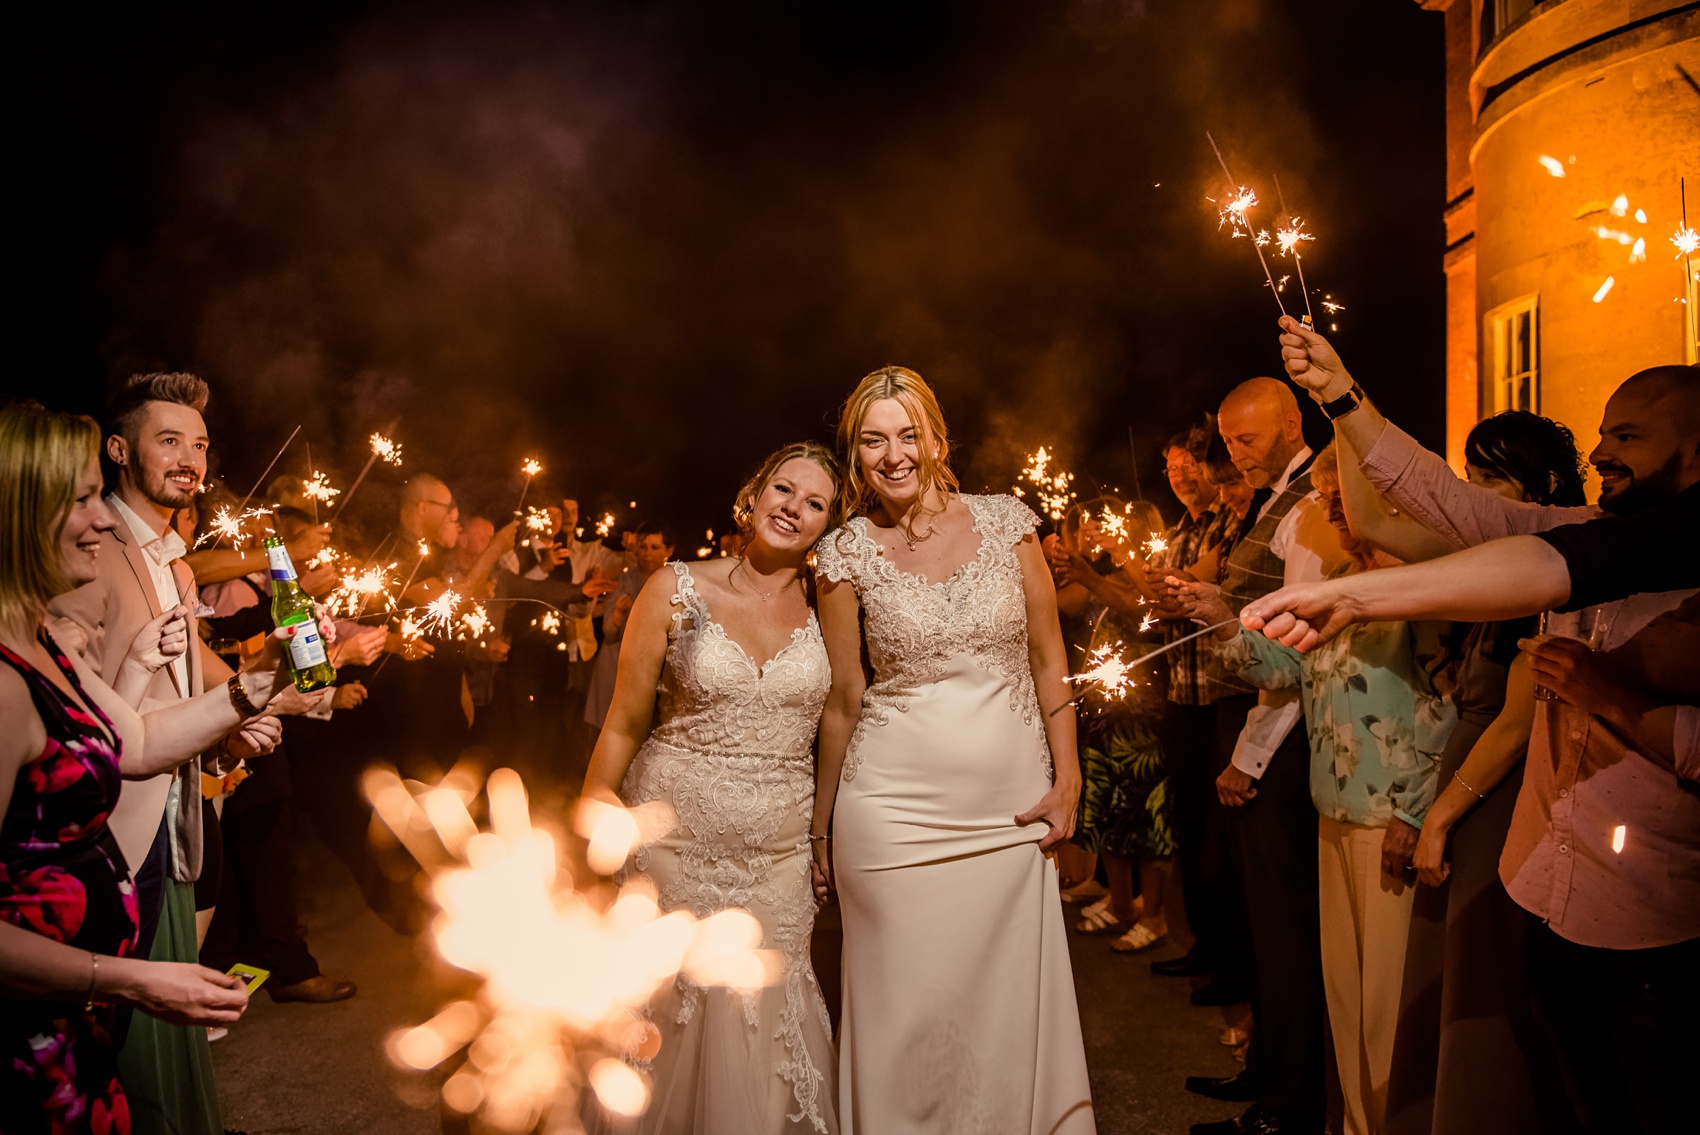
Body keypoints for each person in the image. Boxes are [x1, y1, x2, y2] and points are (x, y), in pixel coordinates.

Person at [0, 401, 311, 1134]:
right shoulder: (5, 680)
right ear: (17, 511)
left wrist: (259, 680)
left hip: (80, 1027)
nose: (105, 520)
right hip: (28, 1045)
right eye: (80, 500)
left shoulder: (44, 641)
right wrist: (131, 977)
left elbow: (135, 741)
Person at [812, 366, 1093, 1135]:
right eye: (873, 440)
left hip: (1006, 811)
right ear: (856, 453)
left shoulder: (1008, 523)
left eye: (908, 435)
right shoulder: (842, 553)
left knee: (999, 1010)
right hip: (890, 817)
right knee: (904, 1015)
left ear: (937, 438)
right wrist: (821, 825)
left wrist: (1068, 777)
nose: (893, 454)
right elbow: (845, 698)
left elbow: (1047, 656)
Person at [1175, 444, 1457, 1135]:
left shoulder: (1428, 584)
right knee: (1348, 997)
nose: (1330, 507)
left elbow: (1449, 707)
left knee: (1389, 1005)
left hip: (1390, 815)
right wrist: (1216, 612)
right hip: (1331, 808)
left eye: (1340, 494)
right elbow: (1282, 666)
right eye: (1326, 494)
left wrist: (1418, 813)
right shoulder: (1336, 575)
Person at [581, 442, 843, 1134]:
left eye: (816, 503)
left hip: (779, 858)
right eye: (785, 489)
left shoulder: (832, 606)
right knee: (668, 1007)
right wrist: (590, 821)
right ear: (755, 492)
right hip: (673, 843)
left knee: (768, 1017)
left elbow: (847, 718)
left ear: (827, 525)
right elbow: (623, 721)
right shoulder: (675, 585)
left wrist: (825, 834)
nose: (794, 508)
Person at [1360, 411, 1589, 1135]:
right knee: (1447, 965)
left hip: (1499, 790)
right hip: (1465, 776)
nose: (1475, 489)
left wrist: (1439, 816)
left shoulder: (1558, 559)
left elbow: (1517, 720)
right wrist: (1334, 405)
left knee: (1483, 972)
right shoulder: (1501, 556)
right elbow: (1381, 523)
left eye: (1491, 474)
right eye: (1470, 471)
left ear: (1543, 485)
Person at [1183, 377, 1345, 1135]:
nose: (1234, 454)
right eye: (1229, 440)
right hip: (1249, 720)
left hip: (1280, 739)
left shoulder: (1312, 504)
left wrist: (1248, 757)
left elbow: (1293, 657)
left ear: (1290, 424)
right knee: (1259, 919)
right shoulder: (1271, 498)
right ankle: (1268, 1072)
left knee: (1285, 929)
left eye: (1246, 439)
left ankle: (1291, 1103)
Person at [583, 522, 673, 734]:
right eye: (643, 547)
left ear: (668, 551)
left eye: (655, 547)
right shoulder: (624, 582)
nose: (647, 554)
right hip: (617, 673)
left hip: (653, 679)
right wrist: (617, 617)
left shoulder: (674, 584)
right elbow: (608, 631)